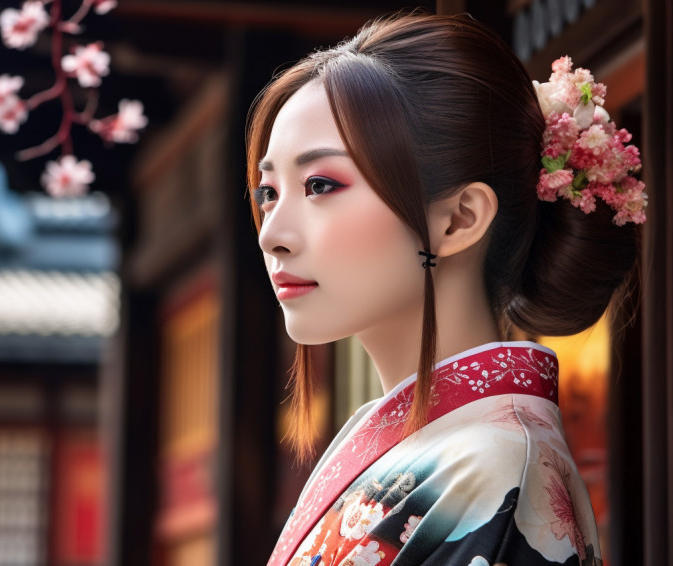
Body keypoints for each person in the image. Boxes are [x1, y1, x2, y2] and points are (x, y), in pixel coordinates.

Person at [246, 12, 645, 566]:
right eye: (269, 192)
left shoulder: (499, 463)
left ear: (459, 219)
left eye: (320, 185)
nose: (273, 235)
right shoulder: (423, 439)